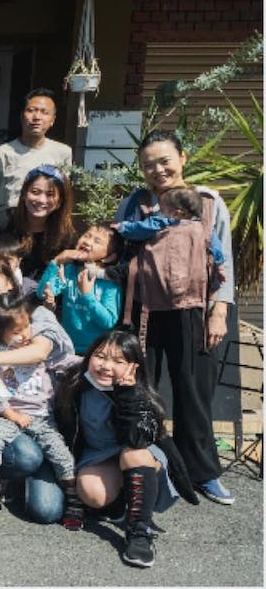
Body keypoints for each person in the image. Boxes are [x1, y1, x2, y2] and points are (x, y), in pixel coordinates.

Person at [113, 131, 236, 505]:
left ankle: (203, 472)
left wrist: (219, 311)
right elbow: (118, 251)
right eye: (148, 164)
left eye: (164, 161)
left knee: (193, 392)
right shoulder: (134, 203)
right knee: (141, 390)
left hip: (193, 310)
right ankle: (148, 466)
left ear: (183, 158)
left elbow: (223, 260)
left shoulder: (208, 202)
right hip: (142, 310)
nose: (157, 170)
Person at [55, 329, 198, 568]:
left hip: (138, 454)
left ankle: (139, 532)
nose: (106, 366)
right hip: (98, 455)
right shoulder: (76, 384)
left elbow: (138, 440)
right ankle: (121, 503)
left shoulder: (140, 393)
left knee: (133, 454)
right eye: (100, 356)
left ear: (133, 366)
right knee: (92, 493)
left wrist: (128, 395)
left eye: (118, 361)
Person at [0, 293, 81, 530]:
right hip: (10, 416)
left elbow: (64, 361)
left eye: (27, 326)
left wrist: (90, 362)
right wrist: (11, 414)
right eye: (16, 331)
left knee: (62, 455)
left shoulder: (36, 349)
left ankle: (74, 500)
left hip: (43, 417)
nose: (25, 335)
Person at [0, 165, 76, 281]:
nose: (41, 200)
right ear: (24, 194)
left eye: (50, 194)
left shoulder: (64, 235)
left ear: (59, 201)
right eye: (35, 192)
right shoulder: (1, 222)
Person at [36, 224, 124, 354]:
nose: (87, 241)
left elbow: (108, 321)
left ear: (108, 257)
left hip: (96, 351)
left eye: (97, 241)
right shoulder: (69, 270)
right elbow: (41, 293)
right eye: (86, 236)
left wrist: (87, 295)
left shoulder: (109, 283)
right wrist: (56, 261)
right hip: (66, 346)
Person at [0, 88, 73, 207]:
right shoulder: (1, 153)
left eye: (44, 112)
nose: (37, 117)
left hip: (47, 215)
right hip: (10, 216)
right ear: (22, 116)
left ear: (52, 120)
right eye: (31, 110)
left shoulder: (63, 152)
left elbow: (63, 194)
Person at [116, 185, 226, 273]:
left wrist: (122, 227)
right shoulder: (203, 227)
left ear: (176, 213)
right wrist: (219, 264)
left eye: (162, 210)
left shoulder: (164, 222)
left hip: (164, 272)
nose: (160, 212)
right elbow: (215, 246)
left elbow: (141, 229)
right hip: (193, 273)